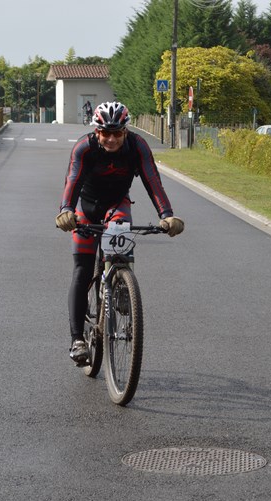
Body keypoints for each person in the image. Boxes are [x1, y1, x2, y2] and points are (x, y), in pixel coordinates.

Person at [55, 101, 184, 366]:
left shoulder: (137, 147)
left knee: (122, 241)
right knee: (82, 269)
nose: (111, 138)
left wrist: (166, 215)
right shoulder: (84, 147)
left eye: (117, 132)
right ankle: (77, 339)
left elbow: (152, 181)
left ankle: (122, 285)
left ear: (125, 132)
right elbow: (72, 182)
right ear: (97, 131)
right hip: (87, 209)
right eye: (105, 132)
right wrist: (66, 210)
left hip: (117, 205)